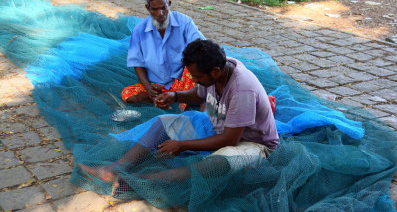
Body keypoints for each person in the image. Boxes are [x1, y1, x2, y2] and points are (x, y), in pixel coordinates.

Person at [79, 39, 279, 195]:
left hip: (252, 144)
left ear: (215, 71)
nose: (194, 80)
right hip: (220, 127)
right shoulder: (217, 70)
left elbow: (230, 140)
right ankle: (117, 168)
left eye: (198, 77)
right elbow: (198, 93)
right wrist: (174, 96)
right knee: (163, 122)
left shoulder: (242, 89)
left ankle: (139, 181)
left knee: (214, 164)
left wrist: (183, 145)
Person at [121, 0, 205, 109]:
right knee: (127, 94)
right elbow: (137, 63)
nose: (160, 14)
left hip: (183, 81)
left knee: (197, 67)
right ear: (147, 8)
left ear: (169, 4)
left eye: (164, 8)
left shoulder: (185, 22)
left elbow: (202, 47)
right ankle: (164, 98)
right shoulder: (139, 30)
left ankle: (176, 97)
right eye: (154, 9)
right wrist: (149, 88)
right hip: (158, 85)